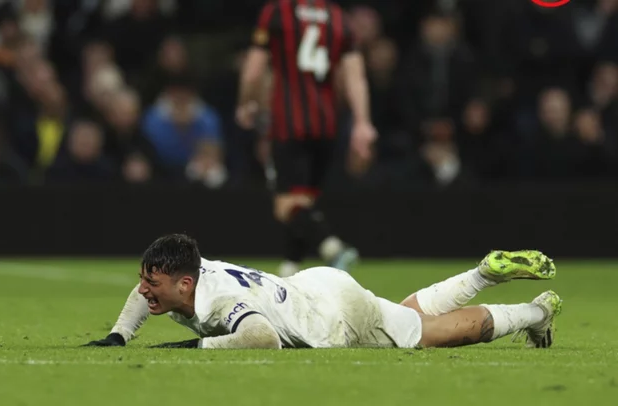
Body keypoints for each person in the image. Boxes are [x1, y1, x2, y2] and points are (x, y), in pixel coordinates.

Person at [83, 234, 562, 350]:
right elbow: (140, 290)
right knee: (403, 315)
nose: (145, 289)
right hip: (314, 284)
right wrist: (119, 336)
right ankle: (483, 275)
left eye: (154, 283)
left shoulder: (217, 301)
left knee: (427, 335)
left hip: (332, 316)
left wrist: (189, 346)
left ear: (185, 283)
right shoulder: (190, 269)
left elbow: (261, 338)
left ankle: (532, 312)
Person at [235, 0, 378, 277]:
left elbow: (254, 70)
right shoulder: (339, 19)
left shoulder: (277, 12)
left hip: (288, 123)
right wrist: (362, 122)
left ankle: (331, 247)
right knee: (305, 201)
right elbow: (355, 77)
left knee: (286, 205)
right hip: (327, 125)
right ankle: (290, 268)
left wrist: (245, 103)